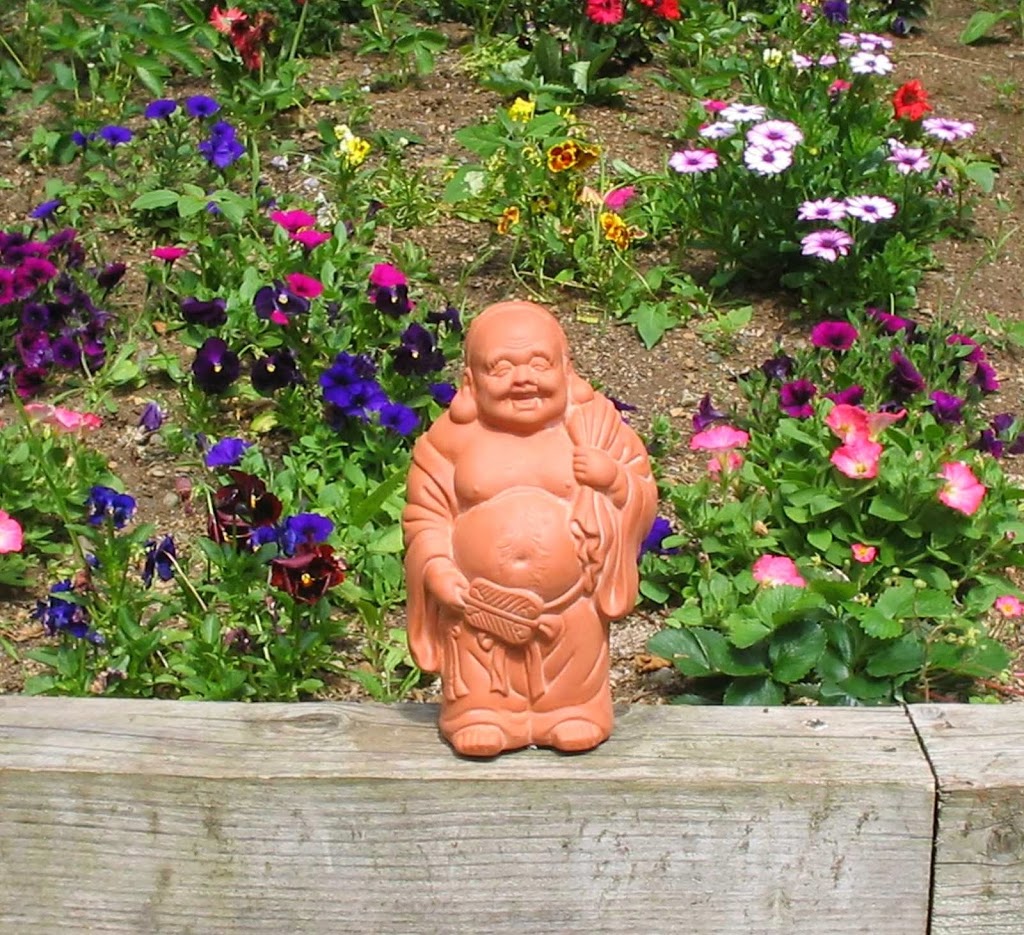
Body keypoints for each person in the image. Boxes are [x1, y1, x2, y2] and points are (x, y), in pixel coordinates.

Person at [403, 301, 657, 756]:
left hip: (570, 604)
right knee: (480, 676)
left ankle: (573, 710)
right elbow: (427, 515)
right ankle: (482, 713)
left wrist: (614, 479)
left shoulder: (594, 429)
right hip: (479, 607)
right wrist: (438, 568)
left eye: (539, 363)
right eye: (501, 367)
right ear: (470, 382)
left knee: (573, 667)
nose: (523, 379)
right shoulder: (450, 441)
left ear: (566, 369)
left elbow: (640, 493)